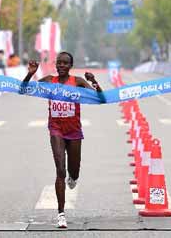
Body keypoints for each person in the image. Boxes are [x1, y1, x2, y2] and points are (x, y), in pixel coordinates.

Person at [22, 52, 103, 229]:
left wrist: (94, 81)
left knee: (74, 172)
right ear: (56, 65)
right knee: (60, 170)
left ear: (70, 66)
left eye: (65, 63)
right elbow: (23, 89)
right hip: (56, 129)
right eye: (59, 63)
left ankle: (73, 178)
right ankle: (61, 214)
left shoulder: (78, 82)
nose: (61, 66)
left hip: (74, 131)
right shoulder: (49, 80)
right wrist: (30, 73)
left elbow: (100, 98)